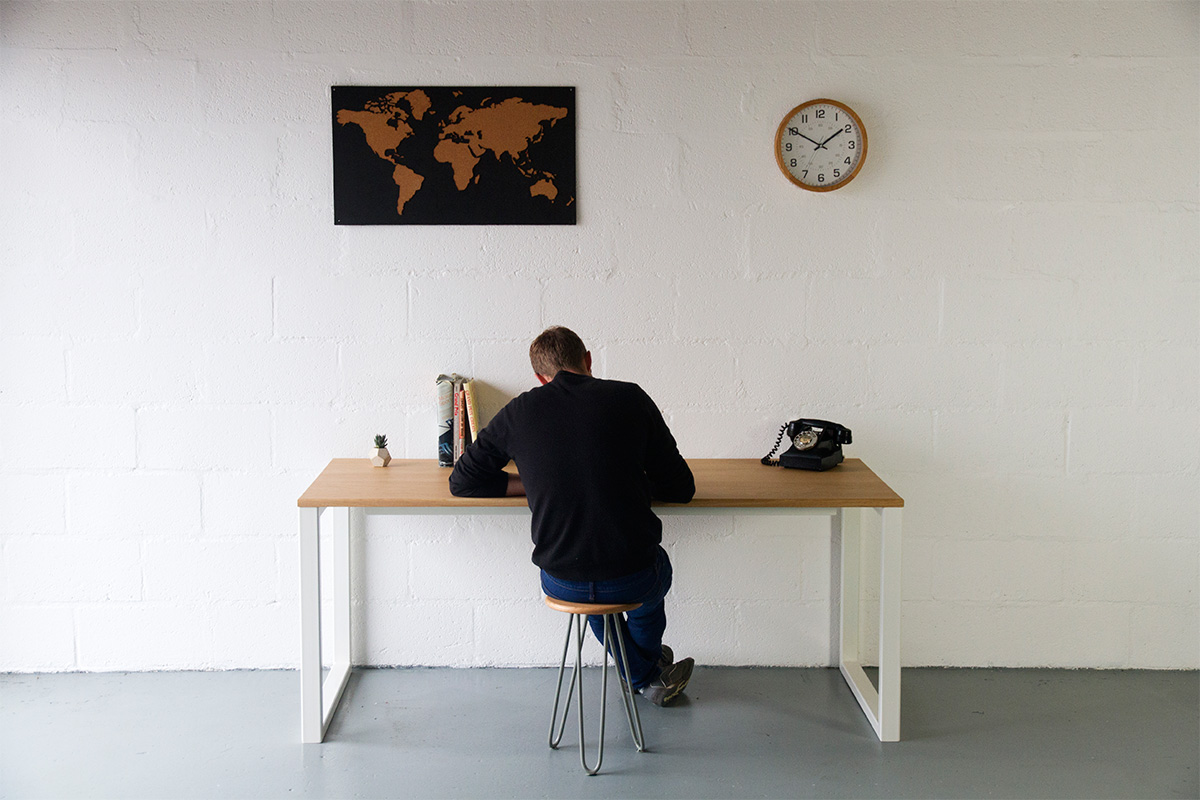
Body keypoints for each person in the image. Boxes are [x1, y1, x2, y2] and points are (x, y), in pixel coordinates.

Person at [448, 326, 696, 706]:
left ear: (539, 377)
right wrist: (629, 480)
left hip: (562, 581)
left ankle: (645, 669)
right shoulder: (630, 398)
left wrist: (534, 483)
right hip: (632, 577)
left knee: (595, 593)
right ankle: (646, 674)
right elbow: (681, 487)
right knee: (651, 576)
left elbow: (463, 481)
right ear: (588, 359)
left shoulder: (519, 411)